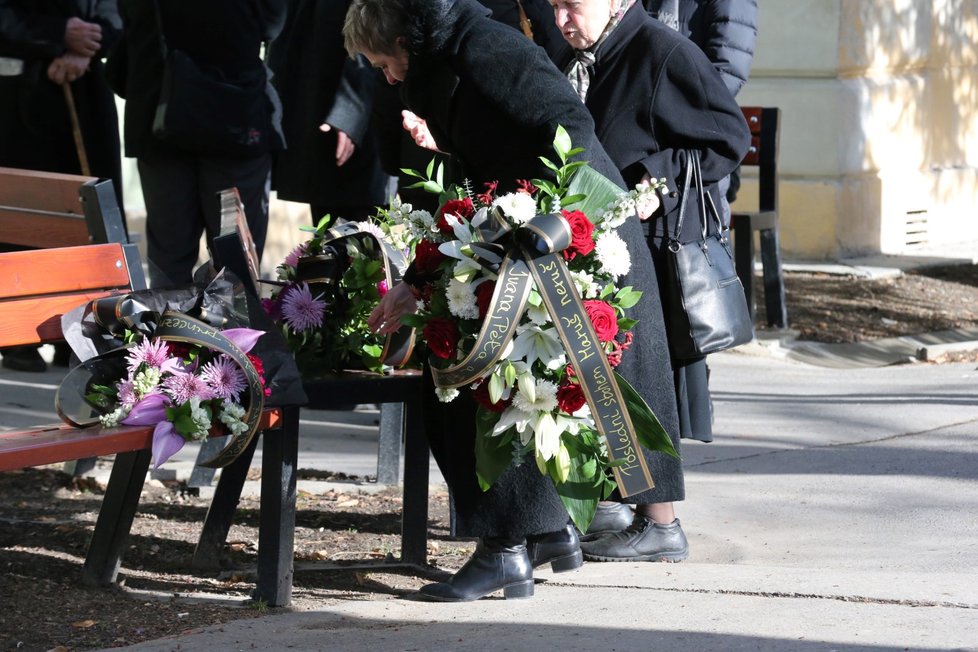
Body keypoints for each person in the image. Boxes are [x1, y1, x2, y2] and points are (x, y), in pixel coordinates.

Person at [345, 0, 682, 601]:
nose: (388, 76)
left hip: (567, 228)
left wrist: (554, 227)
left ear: (401, 36)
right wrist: (421, 275)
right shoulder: (448, 54)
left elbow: (568, 126)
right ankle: (542, 534)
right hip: (525, 229)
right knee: (502, 375)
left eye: (384, 62)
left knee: (473, 370)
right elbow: (484, 167)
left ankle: (506, 548)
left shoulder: (482, 46)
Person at [551, 0, 750, 560]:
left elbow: (728, 137)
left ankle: (661, 524)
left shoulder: (661, 50)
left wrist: (653, 181)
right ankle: (618, 504)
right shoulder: (583, 54)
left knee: (644, 382)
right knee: (604, 379)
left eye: (573, 5)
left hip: (653, 249)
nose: (563, 18)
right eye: (554, 5)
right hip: (602, 246)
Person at [110, 0, 286, 289]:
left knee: (170, 263)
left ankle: (169, 334)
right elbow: (272, 23)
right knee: (235, 266)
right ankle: (231, 333)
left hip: (160, 110)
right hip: (231, 112)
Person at [0, 0, 123, 372]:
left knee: (88, 220)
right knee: (25, 218)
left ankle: (84, 331)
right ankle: (19, 333)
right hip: (18, 99)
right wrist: (58, 37)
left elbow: (116, 19)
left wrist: (84, 51)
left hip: (85, 100)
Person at [266, 0, 393, 226]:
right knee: (328, 233)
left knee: (361, 238)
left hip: (356, 115)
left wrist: (349, 114)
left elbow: (375, 25)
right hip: (312, 102)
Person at [644, 0, 758, 222]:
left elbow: (725, 78)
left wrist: (664, 114)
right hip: (644, 142)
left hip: (694, 146)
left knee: (694, 247)